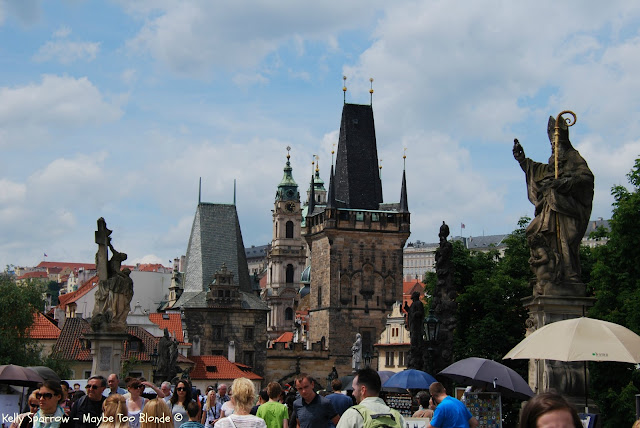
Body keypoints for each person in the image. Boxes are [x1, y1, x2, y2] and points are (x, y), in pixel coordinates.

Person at [512, 115, 594, 296]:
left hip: (565, 210)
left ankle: (569, 275)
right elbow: (539, 171)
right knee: (533, 232)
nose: (553, 148)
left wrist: (563, 183)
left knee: (566, 240)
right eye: (552, 145)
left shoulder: (573, 157)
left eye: (556, 145)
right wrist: (523, 160)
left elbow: (586, 179)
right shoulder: (552, 163)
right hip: (550, 209)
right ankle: (547, 272)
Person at [336, 368, 403, 428]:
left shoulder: (353, 414)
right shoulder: (397, 417)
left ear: (363, 390)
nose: (353, 393)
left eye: (354, 389)